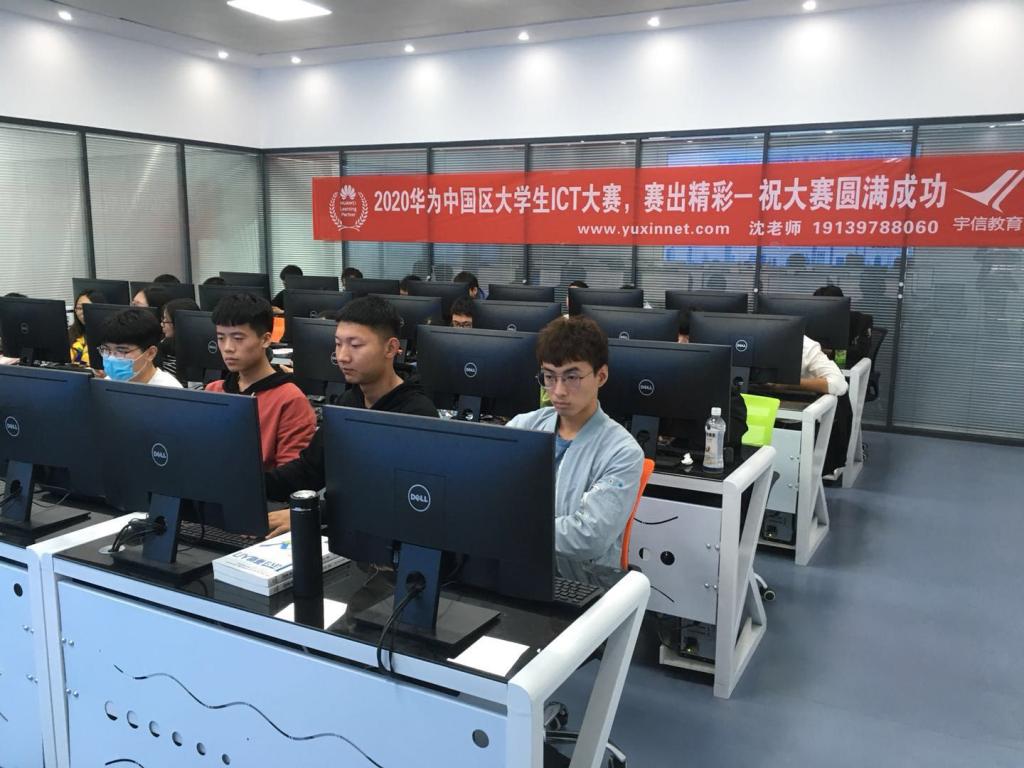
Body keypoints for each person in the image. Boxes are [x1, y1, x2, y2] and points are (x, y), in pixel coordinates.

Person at [264, 295, 437, 535]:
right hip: (343, 529)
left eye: (355, 346)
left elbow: (405, 500)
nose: (342, 356)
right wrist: (254, 484)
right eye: (338, 344)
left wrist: (315, 512)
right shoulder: (348, 403)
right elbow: (310, 470)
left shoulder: (417, 415)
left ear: (391, 348)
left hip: (386, 540)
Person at [507, 316, 643, 587]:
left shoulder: (622, 452)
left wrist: (508, 527)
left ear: (601, 376)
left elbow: (589, 537)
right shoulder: (523, 427)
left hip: (583, 587)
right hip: (517, 571)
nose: (558, 391)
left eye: (571, 377)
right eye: (549, 377)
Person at [205, 294, 315, 471]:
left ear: (265, 340)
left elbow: (292, 475)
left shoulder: (290, 400)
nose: (228, 348)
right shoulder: (213, 391)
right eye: (221, 338)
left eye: (238, 338)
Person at [98, 308, 182, 387]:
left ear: (150, 353)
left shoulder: (170, 390)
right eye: (106, 349)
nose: (111, 357)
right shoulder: (107, 383)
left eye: (122, 351)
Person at [158, 297, 200, 381]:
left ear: (179, 323)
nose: (162, 324)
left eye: (166, 321)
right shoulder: (164, 345)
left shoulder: (197, 355)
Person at [68, 288, 107, 366]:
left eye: (87, 308)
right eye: (79, 308)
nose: (82, 312)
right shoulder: (71, 333)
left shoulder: (109, 337)